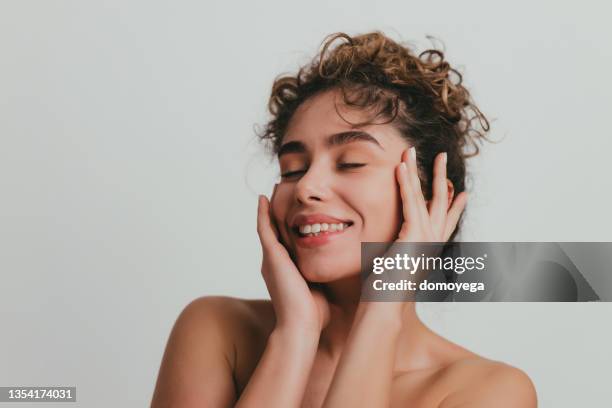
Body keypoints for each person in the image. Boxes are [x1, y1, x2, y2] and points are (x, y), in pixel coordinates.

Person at [151, 31, 537, 407]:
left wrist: (382, 308)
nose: (306, 187)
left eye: (350, 163)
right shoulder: (218, 330)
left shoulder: (489, 392)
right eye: (292, 169)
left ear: (431, 198)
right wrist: (294, 336)